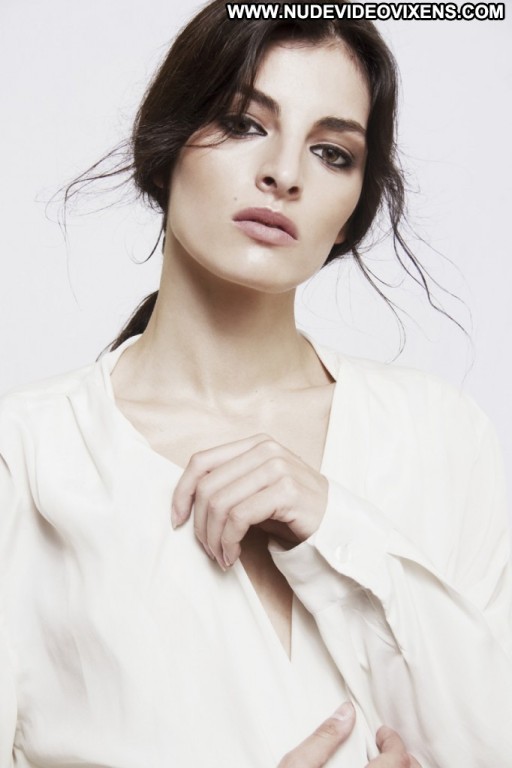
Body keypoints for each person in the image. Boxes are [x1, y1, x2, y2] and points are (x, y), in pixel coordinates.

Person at [0, 1, 511, 766]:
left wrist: (334, 523)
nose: (284, 173)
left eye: (332, 152)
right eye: (244, 123)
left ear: (353, 212)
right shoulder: (28, 456)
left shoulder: (442, 437)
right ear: (166, 145)